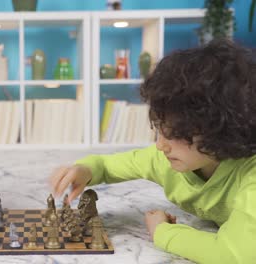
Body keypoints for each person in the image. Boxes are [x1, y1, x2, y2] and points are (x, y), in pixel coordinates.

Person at [50, 39, 256, 263]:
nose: (160, 145)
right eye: (159, 129)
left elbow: (235, 254)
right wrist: (85, 170)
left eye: (176, 134)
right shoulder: (166, 160)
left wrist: (162, 232)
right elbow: (108, 165)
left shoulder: (251, 175)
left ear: (222, 129)